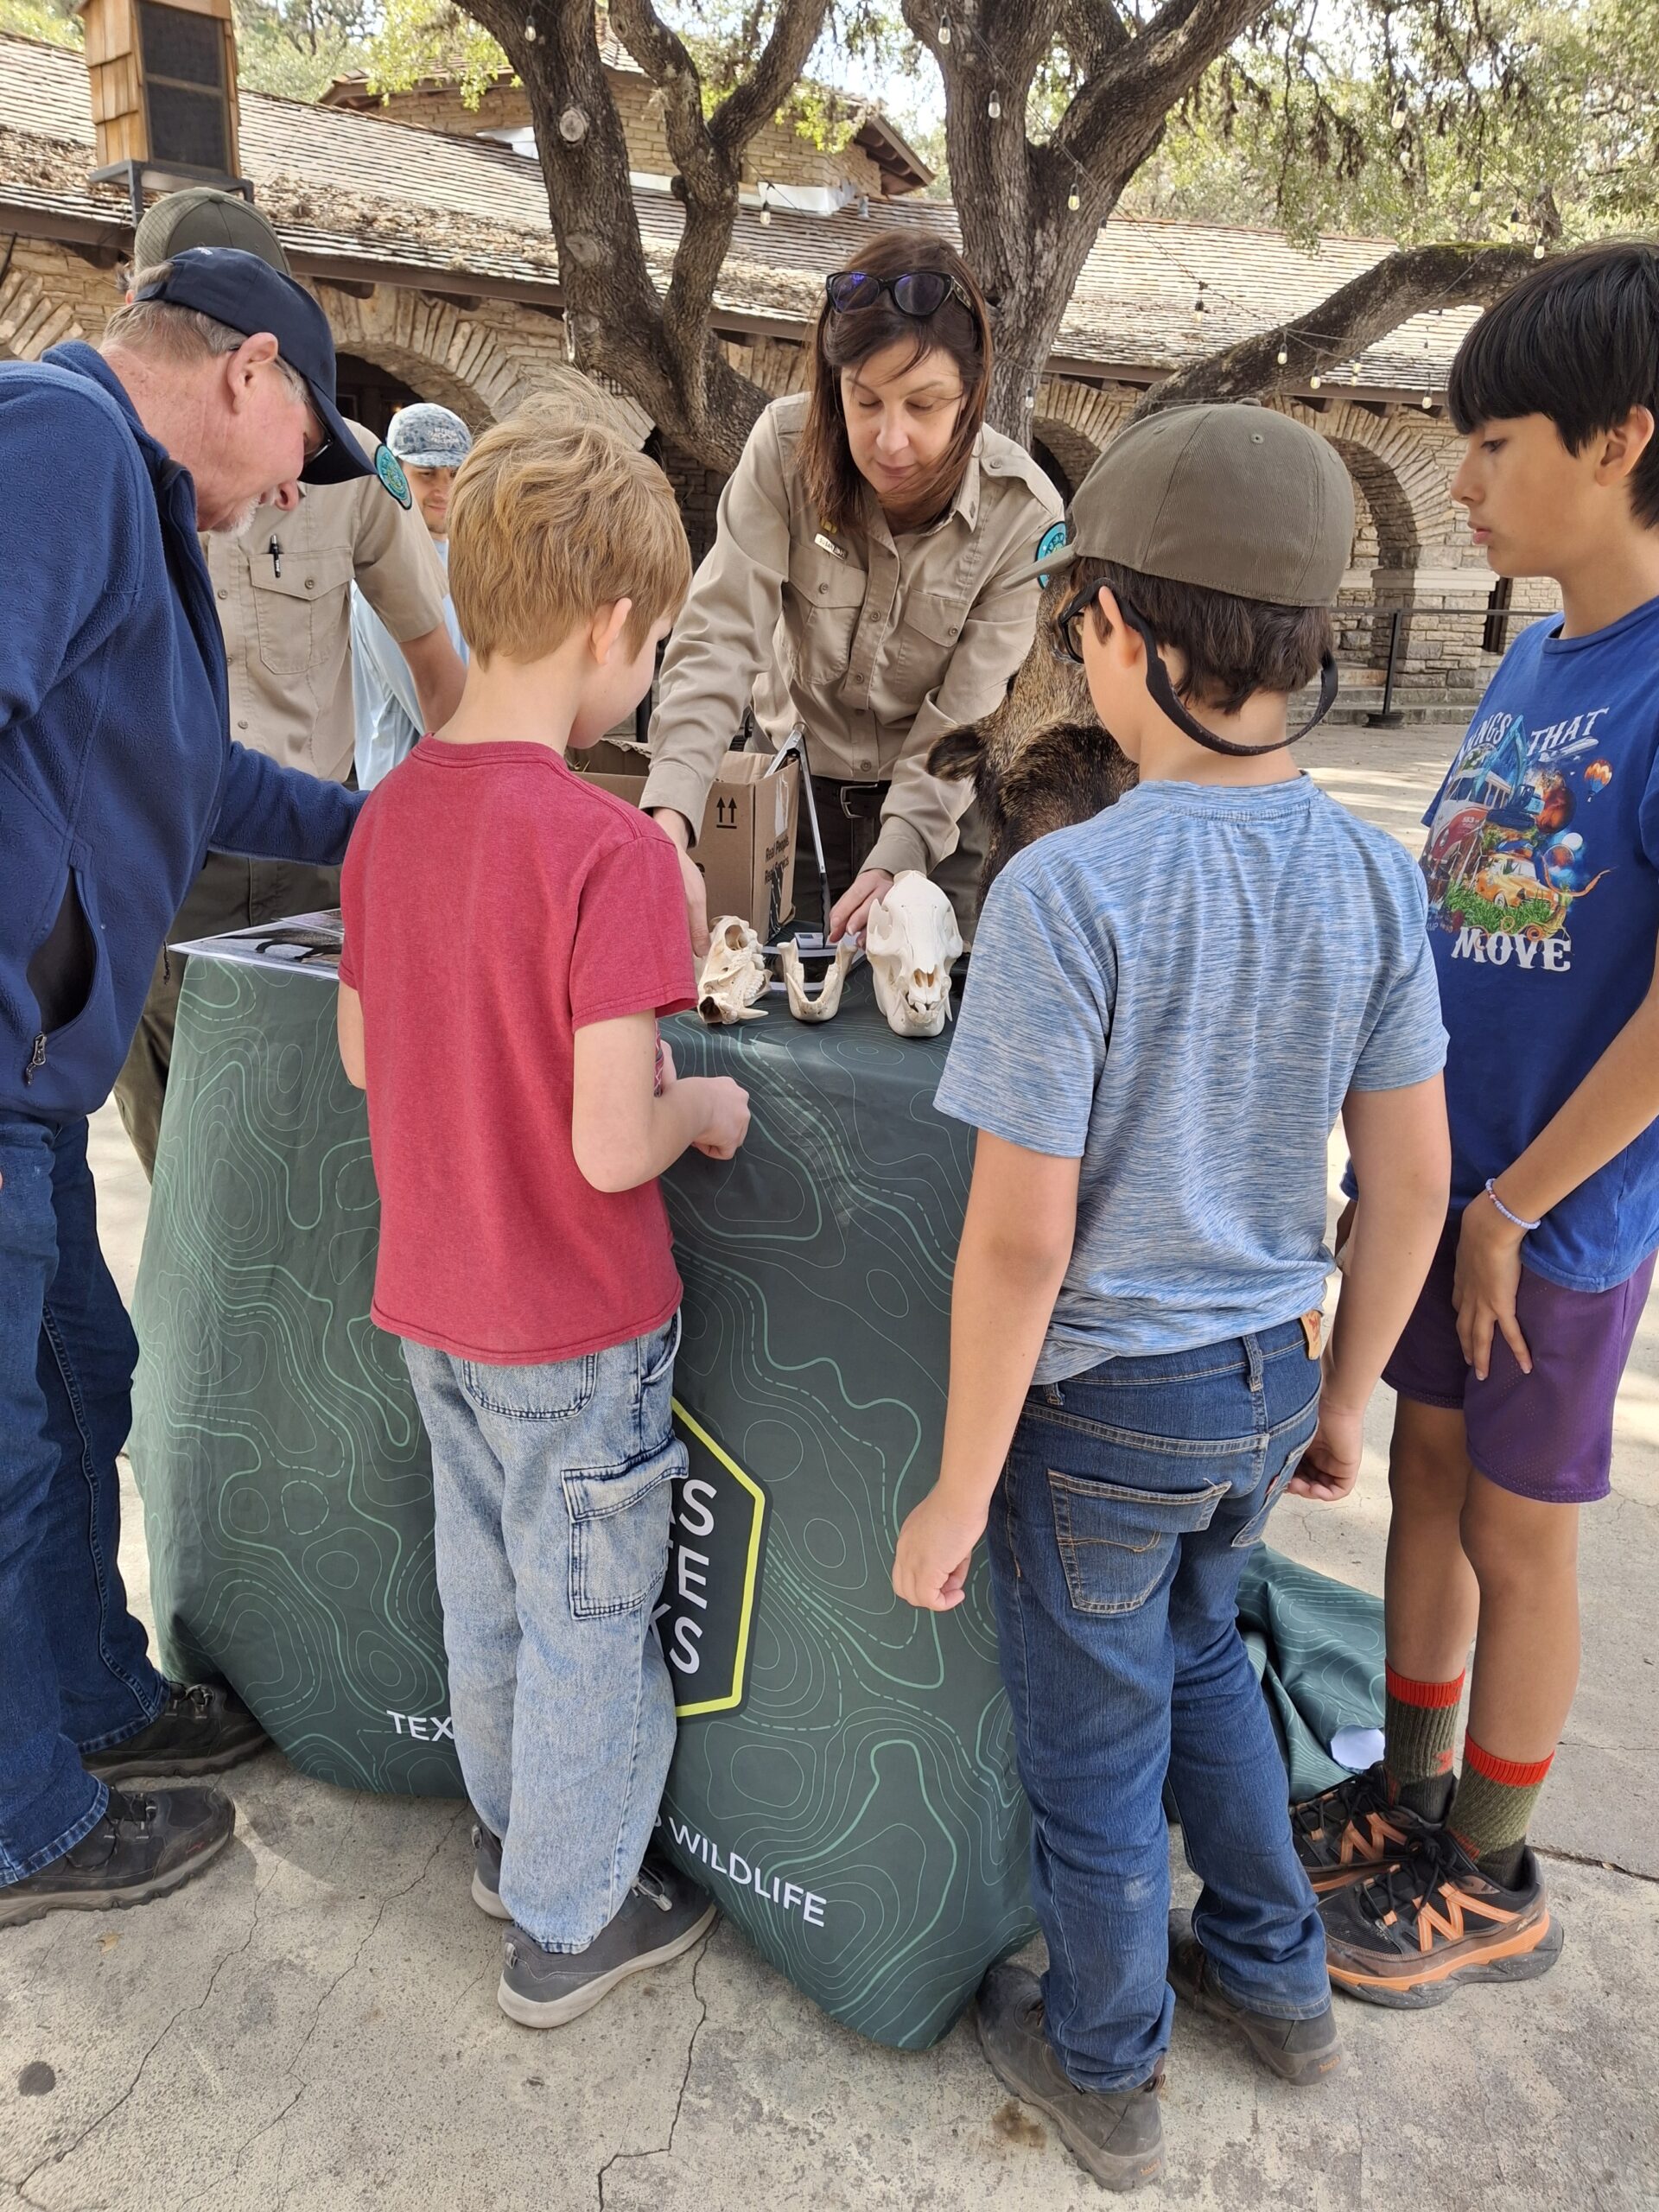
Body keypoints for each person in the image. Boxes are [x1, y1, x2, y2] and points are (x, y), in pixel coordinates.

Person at [890, 405, 1452, 2190]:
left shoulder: (1068, 892)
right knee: (1210, 1644)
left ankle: (1108, 2062)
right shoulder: (1373, 867)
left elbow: (1017, 1245)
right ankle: (1282, 1982)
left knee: (1096, 1743)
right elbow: (1413, 1175)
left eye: (1079, 632)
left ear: (1126, 634)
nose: (1079, 661)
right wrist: (1348, 1392)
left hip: (1106, 1408)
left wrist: (960, 1486)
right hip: (1269, 1378)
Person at [335, 414, 751, 2026]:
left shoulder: (389, 817)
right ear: (615, 630)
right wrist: (697, 1107)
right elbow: (606, 1144)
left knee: (491, 1586)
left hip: (434, 1303)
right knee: (592, 1619)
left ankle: (519, 1844)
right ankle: (572, 1919)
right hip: (577, 1325)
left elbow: (372, 1052)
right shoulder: (607, 847)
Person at [0, 246, 396, 1926]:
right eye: (311, 431)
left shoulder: (134, 503)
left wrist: (394, 833)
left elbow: (187, 770)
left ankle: (97, 1691)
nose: (303, 482)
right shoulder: (66, 442)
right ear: (247, 370)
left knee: (92, 1374)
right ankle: (24, 1816)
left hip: (34, 1089)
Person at [1294, 244, 1659, 2007]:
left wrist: (1517, 1201)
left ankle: (1496, 1867)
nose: (1460, 481)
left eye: (1493, 441)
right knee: (1421, 1491)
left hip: (1554, 1219)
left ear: (1617, 442)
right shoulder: (1534, 669)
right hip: (1443, 1195)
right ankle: (1410, 1797)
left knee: (1520, 1531)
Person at [112, 188, 466, 1180]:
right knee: (181, 1168)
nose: (279, 487)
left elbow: (439, 666)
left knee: (321, 1164)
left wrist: (458, 837)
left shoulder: (342, 467)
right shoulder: (92, 460)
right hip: (160, 876)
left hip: (313, 860)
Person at [641, 232, 1062, 952]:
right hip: (789, 809)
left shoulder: (1024, 514)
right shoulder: (782, 450)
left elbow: (966, 715)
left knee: (919, 1023)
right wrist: (667, 822)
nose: (889, 440)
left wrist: (898, 856)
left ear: (971, 396)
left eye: (923, 406)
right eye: (864, 400)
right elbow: (720, 634)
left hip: (940, 833)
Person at [352, 403, 472, 788]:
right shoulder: (385, 570)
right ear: (396, 475)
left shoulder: (468, 562)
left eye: (455, 474)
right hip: (404, 794)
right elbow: (438, 709)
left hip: (460, 786)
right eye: (427, 474)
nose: (444, 490)